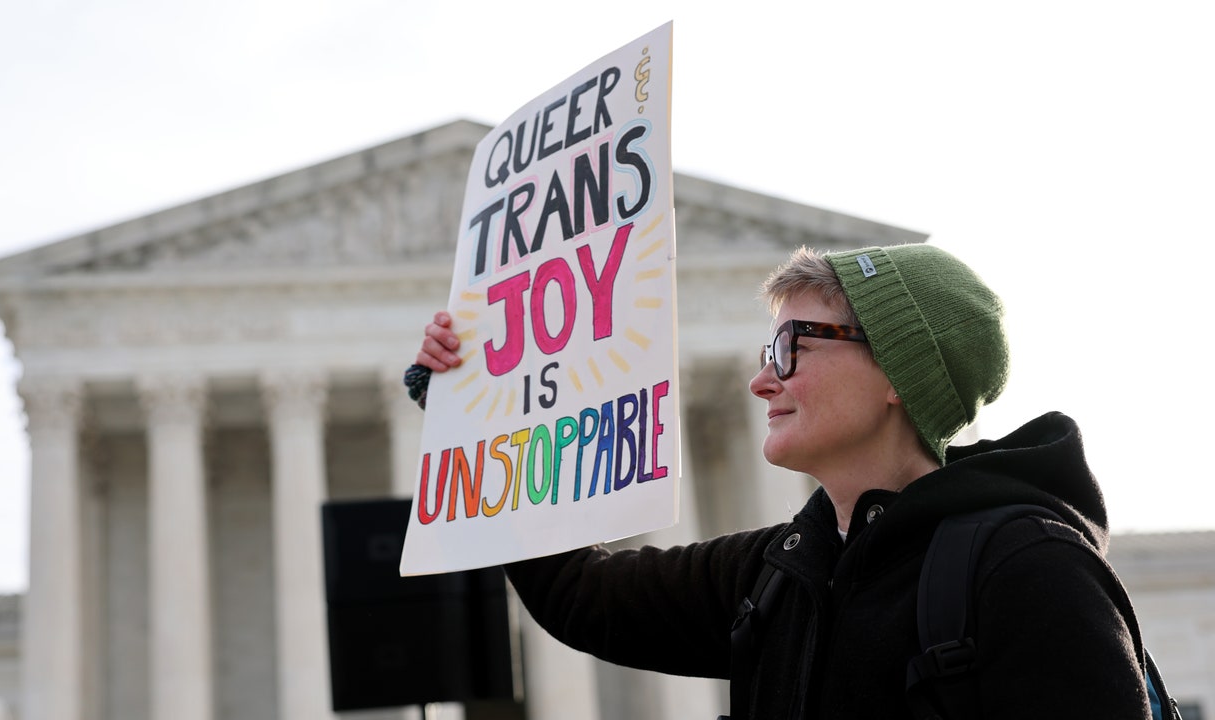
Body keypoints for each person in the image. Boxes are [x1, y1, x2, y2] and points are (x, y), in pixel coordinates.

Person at [409, 243, 1151, 719]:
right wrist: (476, 414)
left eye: (791, 346)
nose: (762, 379)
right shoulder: (778, 573)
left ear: (898, 372)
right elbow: (582, 596)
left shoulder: (1029, 569)